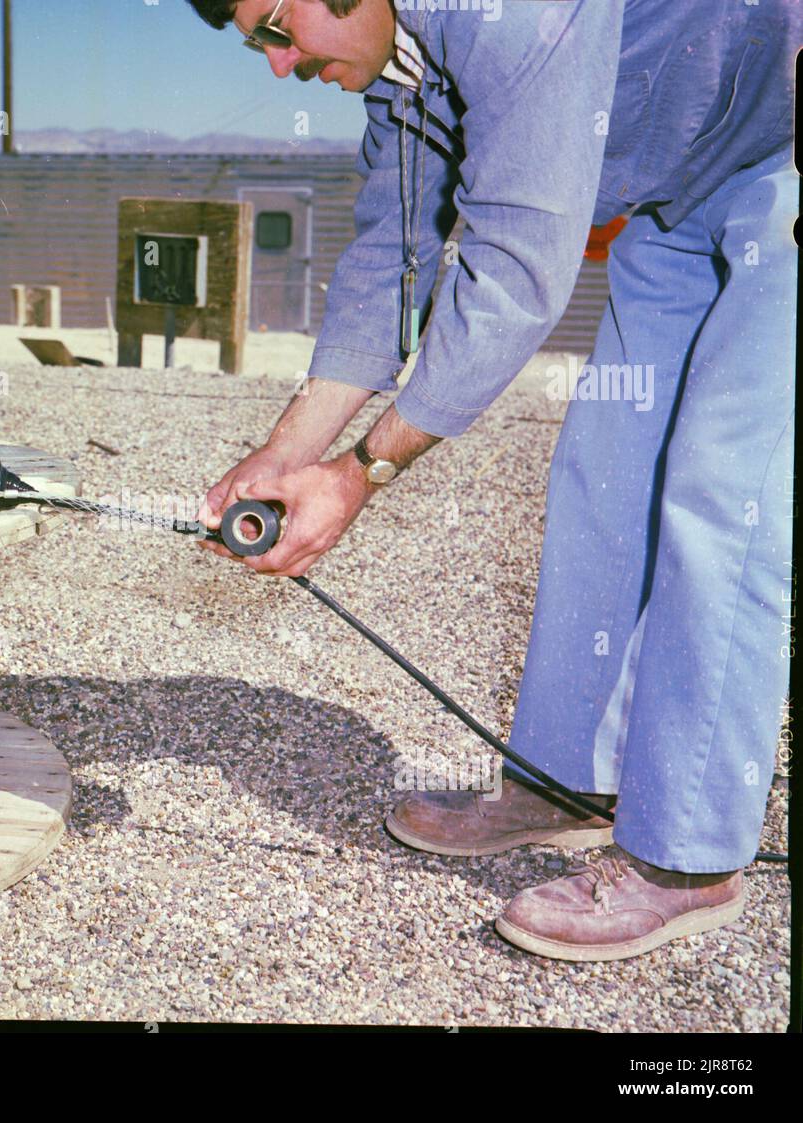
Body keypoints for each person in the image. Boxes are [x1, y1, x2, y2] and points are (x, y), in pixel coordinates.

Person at [185, 0, 796, 961]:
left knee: (726, 493)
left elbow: (517, 273)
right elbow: (394, 257)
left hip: (784, 159)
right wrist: (287, 452)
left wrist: (361, 472)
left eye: (275, 26)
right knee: (602, 481)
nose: (276, 63)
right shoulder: (405, 68)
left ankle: (689, 859)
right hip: (675, 197)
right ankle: (564, 786)